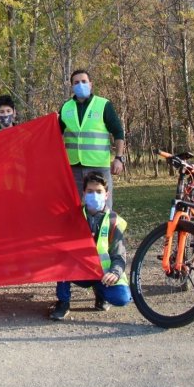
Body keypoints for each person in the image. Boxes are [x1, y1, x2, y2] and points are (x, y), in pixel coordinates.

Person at [50, 171, 131, 321]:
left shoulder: (114, 221)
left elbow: (119, 255)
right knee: (61, 257)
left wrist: (115, 272)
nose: (94, 195)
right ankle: (63, 302)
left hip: (103, 274)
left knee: (122, 298)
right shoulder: (74, 216)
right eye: (90, 191)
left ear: (106, 194)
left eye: (99, 192)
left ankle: (101, 294)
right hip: (79, 271)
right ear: (84, 193)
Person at [60, 69, 125, 209]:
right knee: (73, 208)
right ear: (71, 86)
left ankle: (104, 231)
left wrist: (119, 158)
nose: (80, 84)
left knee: (103, 207)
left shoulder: (103, 105)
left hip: (99, 167)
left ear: (91, 84)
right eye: (76, 82)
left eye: (84, 81)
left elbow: (118, 132)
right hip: (74, 168)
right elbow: (53, 133)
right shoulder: (65, 108)